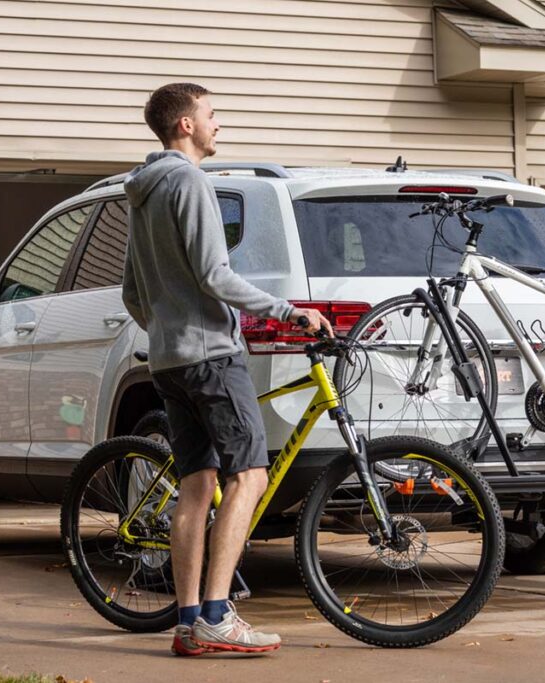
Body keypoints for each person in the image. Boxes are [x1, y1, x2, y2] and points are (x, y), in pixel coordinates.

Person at [121, 82, 332, 655]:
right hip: (211, 356)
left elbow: (132, 293)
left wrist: (169, 331)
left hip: (169, 360)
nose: (220, 125)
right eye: (212, 115)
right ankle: (217, 615)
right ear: (184, 125)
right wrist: (291, 312)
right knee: (250, 476)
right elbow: (215, 276)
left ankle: (189, 623)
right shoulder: (189, 182)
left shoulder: (143, 191)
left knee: (196, 485)